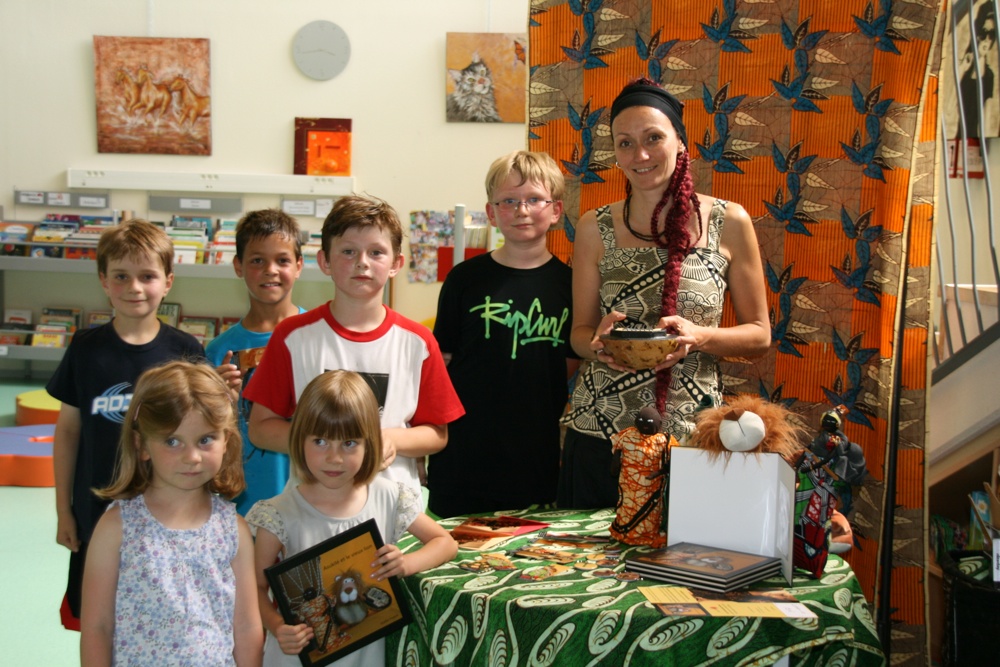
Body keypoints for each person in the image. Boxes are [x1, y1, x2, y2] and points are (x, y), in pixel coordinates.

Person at [559, 78, 770, 509]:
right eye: (625, 143)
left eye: (653, 137)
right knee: (585, 570)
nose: (640, 154)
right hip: (600, 433)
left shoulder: (729, 222)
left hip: (694, 439)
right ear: (615, 155)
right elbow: (578, 334)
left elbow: (759, 336)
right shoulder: (593, 227)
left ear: (680, 142)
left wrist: (699, 337)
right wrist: (597, 343)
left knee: (680, 570)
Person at [244, 194, 464, 496]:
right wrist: (323, 443)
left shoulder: (418, 342)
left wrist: (389, 440)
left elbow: (437, 434)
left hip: (394, 508)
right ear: (324, 261)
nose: (362, 263)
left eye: (376, 252)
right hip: (314, 510)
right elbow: (260, 428)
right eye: (348, 251)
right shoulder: (293, 336)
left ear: (396, 263)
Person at [48, 219, 206, 630]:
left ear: (168, 281)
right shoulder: (85, 348)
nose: (135, 287)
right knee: (98, 618)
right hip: (95, 507)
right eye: (121, 276)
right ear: (103, 280)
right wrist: (64, 509)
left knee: (158, 616)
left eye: (147, 276)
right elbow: (68, 432)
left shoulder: (185, 350)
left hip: (164, 508)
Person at [247, 370, 457, 666]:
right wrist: (276, 625)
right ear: (300, 439)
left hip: (364, 655)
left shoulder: (388, 496)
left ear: (369, 442)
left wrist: (406, 564)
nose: (334, 458)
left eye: (349, 443)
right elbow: (254, 586)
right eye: (320, 441)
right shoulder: (279, 512)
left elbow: (444, 542)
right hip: (297, 654)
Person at [79, 361, 263, 666]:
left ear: (226, 441)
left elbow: (247, 628)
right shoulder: (118, 527)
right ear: (142, 445)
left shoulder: (233, 529)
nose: (192, 457)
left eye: (205, 440)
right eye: (172, 441)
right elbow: (97, 627)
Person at [427, 150, 576, 518]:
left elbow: (570, 365)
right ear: (491, 213)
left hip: (534, 454)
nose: (521, 210)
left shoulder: (571, 285)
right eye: (508, 201)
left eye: (533, 200)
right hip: (463, 453)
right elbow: (442, 363)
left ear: (555, 210)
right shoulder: (464, 279)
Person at [207, 208, 305, 515]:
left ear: (299, 266)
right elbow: (206, 432)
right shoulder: (218, 351)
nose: (270, 270)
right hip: (243, 502)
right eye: (257, 260)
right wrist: (216, 400)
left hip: (309, 498)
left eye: (283, 260)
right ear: (238, 266)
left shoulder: (317, 334)